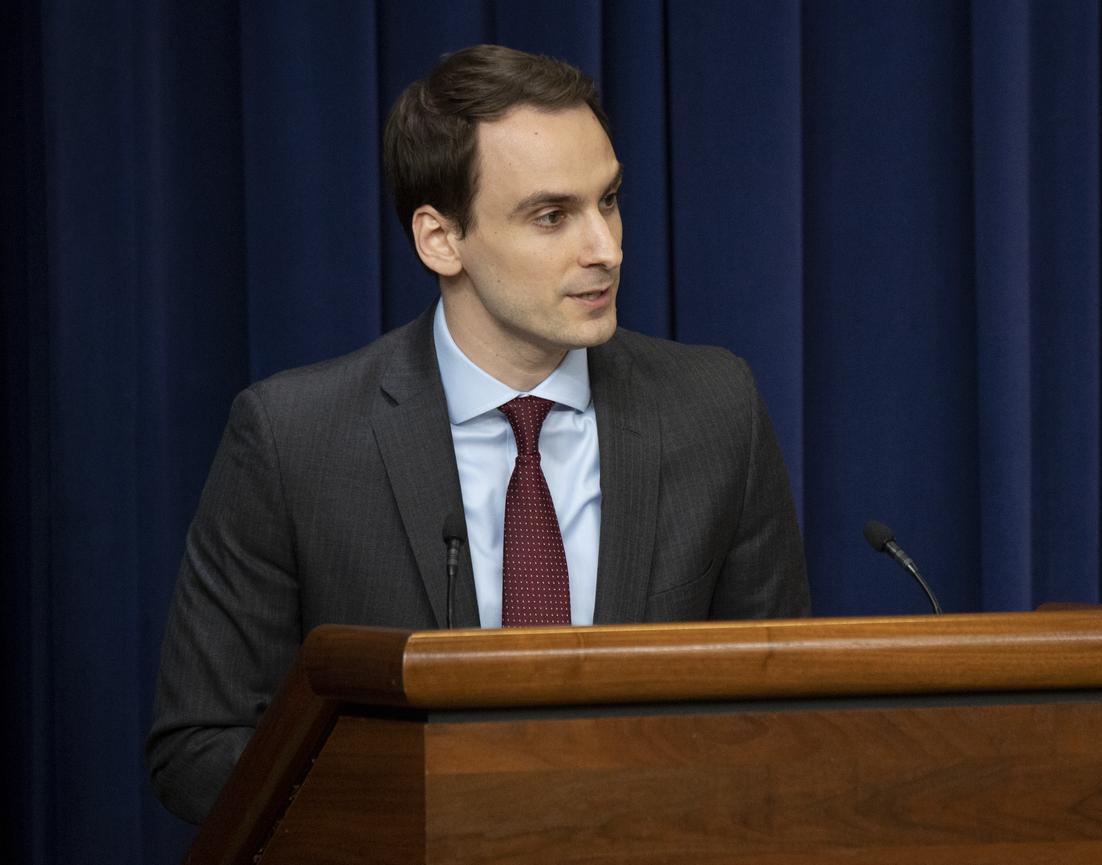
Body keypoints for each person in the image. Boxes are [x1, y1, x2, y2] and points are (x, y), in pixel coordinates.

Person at [147, 44, 809, 825]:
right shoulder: (295, 438)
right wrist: (442, 806)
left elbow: (785, 712)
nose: (606, 248)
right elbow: (197, 746)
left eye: (611, 200)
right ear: (441, 240)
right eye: (552, 215)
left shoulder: (714, 407)